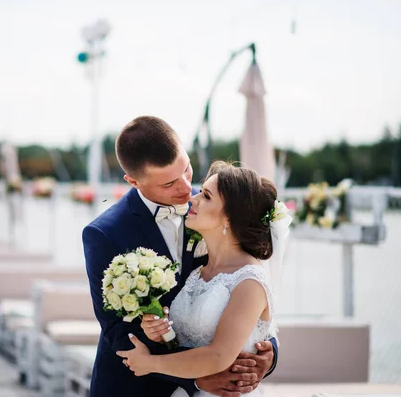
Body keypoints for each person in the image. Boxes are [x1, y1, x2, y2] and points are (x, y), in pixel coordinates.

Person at [83, 116, 279, 397]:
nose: (187, 190)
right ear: (133, 181)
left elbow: (251, 293)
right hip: (136, 388)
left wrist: (268, 350)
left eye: (186, 170)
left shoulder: (218, 206)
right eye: (168, 184)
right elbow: (116, 330)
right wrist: (198, 379)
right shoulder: (104, 234)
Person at [118, 161, 291, 396]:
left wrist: (150, 363)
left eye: (206, 196)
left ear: (229, 218)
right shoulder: (197, 273)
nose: (193, 198)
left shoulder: (250, 281)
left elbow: (219, 355)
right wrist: (157, 333)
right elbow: (185, 339)